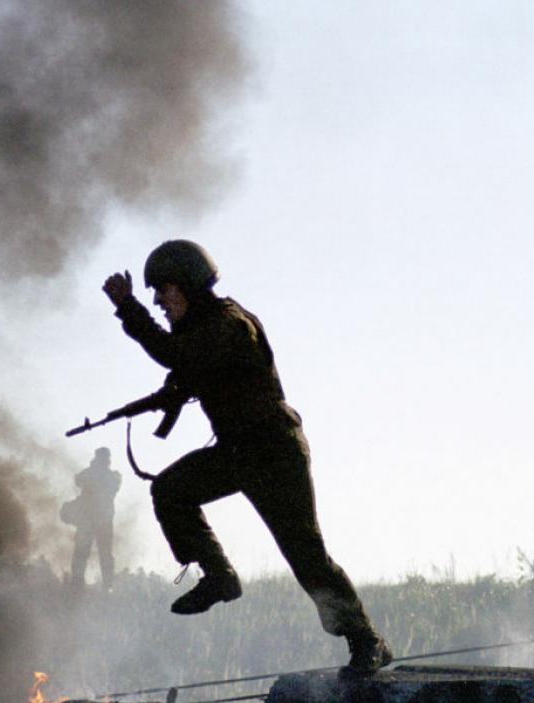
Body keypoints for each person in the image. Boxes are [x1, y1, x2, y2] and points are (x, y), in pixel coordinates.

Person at [101, 240, 393, 674]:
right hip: (238, 451)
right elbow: (186, 370)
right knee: (170, 490)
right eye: (153, 296)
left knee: (307, 557)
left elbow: (178, 357)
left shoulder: (227, 323)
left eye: (163, 290)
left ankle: (366, 641)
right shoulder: (201, 329)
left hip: (273, 452)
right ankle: (219, 576)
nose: (158, 301)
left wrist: (129, 310)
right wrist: (165, 397)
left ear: (189, 285)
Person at [61, 447, 122, 589]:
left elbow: (83, 480)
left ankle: (107, 585)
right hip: (90, 520)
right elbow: (78, 480)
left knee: (102, 555)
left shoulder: (112, 476)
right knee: (82, 553)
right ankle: (78, 584)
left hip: (100, 520)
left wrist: (93, 470)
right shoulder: (97, 473)